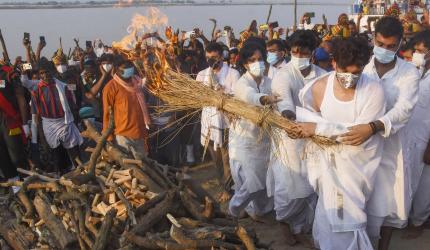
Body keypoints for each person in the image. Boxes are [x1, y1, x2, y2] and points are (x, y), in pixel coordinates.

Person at [296, 37, 385, 250]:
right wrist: (305, 130)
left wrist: (319, 129)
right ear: (334, 63)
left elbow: (358, 136)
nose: (351, 78)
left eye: (357, 72)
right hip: (326, 167)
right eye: (346, 71)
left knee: (349, 219)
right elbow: (308, 121)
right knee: (328, 215)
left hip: (355, 168)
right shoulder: (318, 88)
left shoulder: (374, 91)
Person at [346, 16, 420, 250]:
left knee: (389, 201)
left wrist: (374, 127)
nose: (385, 50)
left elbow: (404, 109)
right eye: (381, 44)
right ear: (373, 39)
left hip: (391, 146)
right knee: (360, 200)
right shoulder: (361, 66)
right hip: (360, 145)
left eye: (391, 46)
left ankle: (383, 246)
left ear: (400, 45)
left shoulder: (409, 72)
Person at [268, 29, 326, 246]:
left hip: (316, 138)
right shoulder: (283, 74)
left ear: (312, 52)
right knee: (288, 185)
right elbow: (283, 100)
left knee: (312, 186)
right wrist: (289, 118)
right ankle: (283, 223)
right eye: (295, 51)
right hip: (289, 137)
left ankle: (303, 227)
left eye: (304, 52)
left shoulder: (322, 75)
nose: (299, 55)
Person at [228, 42, 278, 219]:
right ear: (245, 64)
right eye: (252, 60)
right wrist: (266, 99)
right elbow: (250, 96)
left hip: (265, 140)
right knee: (253, 183)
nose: (257, 63)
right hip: (245, 141)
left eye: (260, 59)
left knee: (266, 180)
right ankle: (234, 208)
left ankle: (260, 211)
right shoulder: (242, 84)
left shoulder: (271, 82)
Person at [196, 42, 240, 195]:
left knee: (228, 158)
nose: (211, 60)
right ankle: (223, 186)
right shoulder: (202, 75)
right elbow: (198, 97)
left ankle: (230, 190)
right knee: (216, 160)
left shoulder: (233, 74)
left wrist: (222, 93)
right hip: (209, 123)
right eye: (208, 57)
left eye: (214, 57)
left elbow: (237, 98)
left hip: (226, 123)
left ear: (221, 56)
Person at [401, 30, 430, 239]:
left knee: (424, 185)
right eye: (416, 50)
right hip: (404, 137)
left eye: (423, 50)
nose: (418, 54)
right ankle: (402, 218)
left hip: (425, 140)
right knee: (405, 181)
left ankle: (418, 222)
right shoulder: (410, 71)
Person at [30, 62, 82, 172]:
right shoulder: (36, 91)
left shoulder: (63, 86)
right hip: (49, 125)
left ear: (52, 71)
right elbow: (36, 115)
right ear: (39, 75)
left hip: (65, 121)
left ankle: (80, 170)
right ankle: (61, 174)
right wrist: (40, 134)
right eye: (42, 73)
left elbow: (73, 106)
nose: (45, 75)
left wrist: (75, 122)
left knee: (74, 149)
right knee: (56, 152)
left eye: (47, 72)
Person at [102, 59, 151, 160]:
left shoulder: (137, 82)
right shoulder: (110, 87)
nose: (129, 70)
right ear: (116, 69)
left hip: (140, 132)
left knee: (143, 165)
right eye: (125, 68)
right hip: (123, 135)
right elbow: (107, 114)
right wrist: (109, 137)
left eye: (130, 68)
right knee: (129, 167)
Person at [0, 62, 30, 191]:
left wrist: (25, 123)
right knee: (2, 156)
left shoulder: (8, 73)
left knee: (17, 155)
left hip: (10, 119)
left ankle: (29, 184)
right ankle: (15, 187)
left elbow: (21, 97)